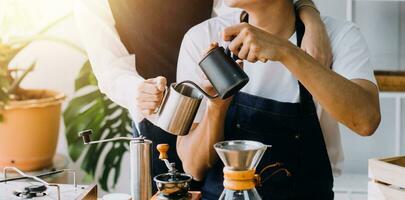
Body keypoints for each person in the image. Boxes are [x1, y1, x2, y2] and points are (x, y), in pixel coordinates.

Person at [74, 0, 333, 190]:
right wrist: (137, 91)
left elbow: (256, 7)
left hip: (213, 108)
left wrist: (311, 19)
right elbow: (108, 66)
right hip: (156, 119)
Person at [175, 0, 381, 199]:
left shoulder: (338, 36)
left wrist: (285, 51)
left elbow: (366, 121)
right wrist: (216, 108)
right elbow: (193, 167)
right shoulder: (204, 38)